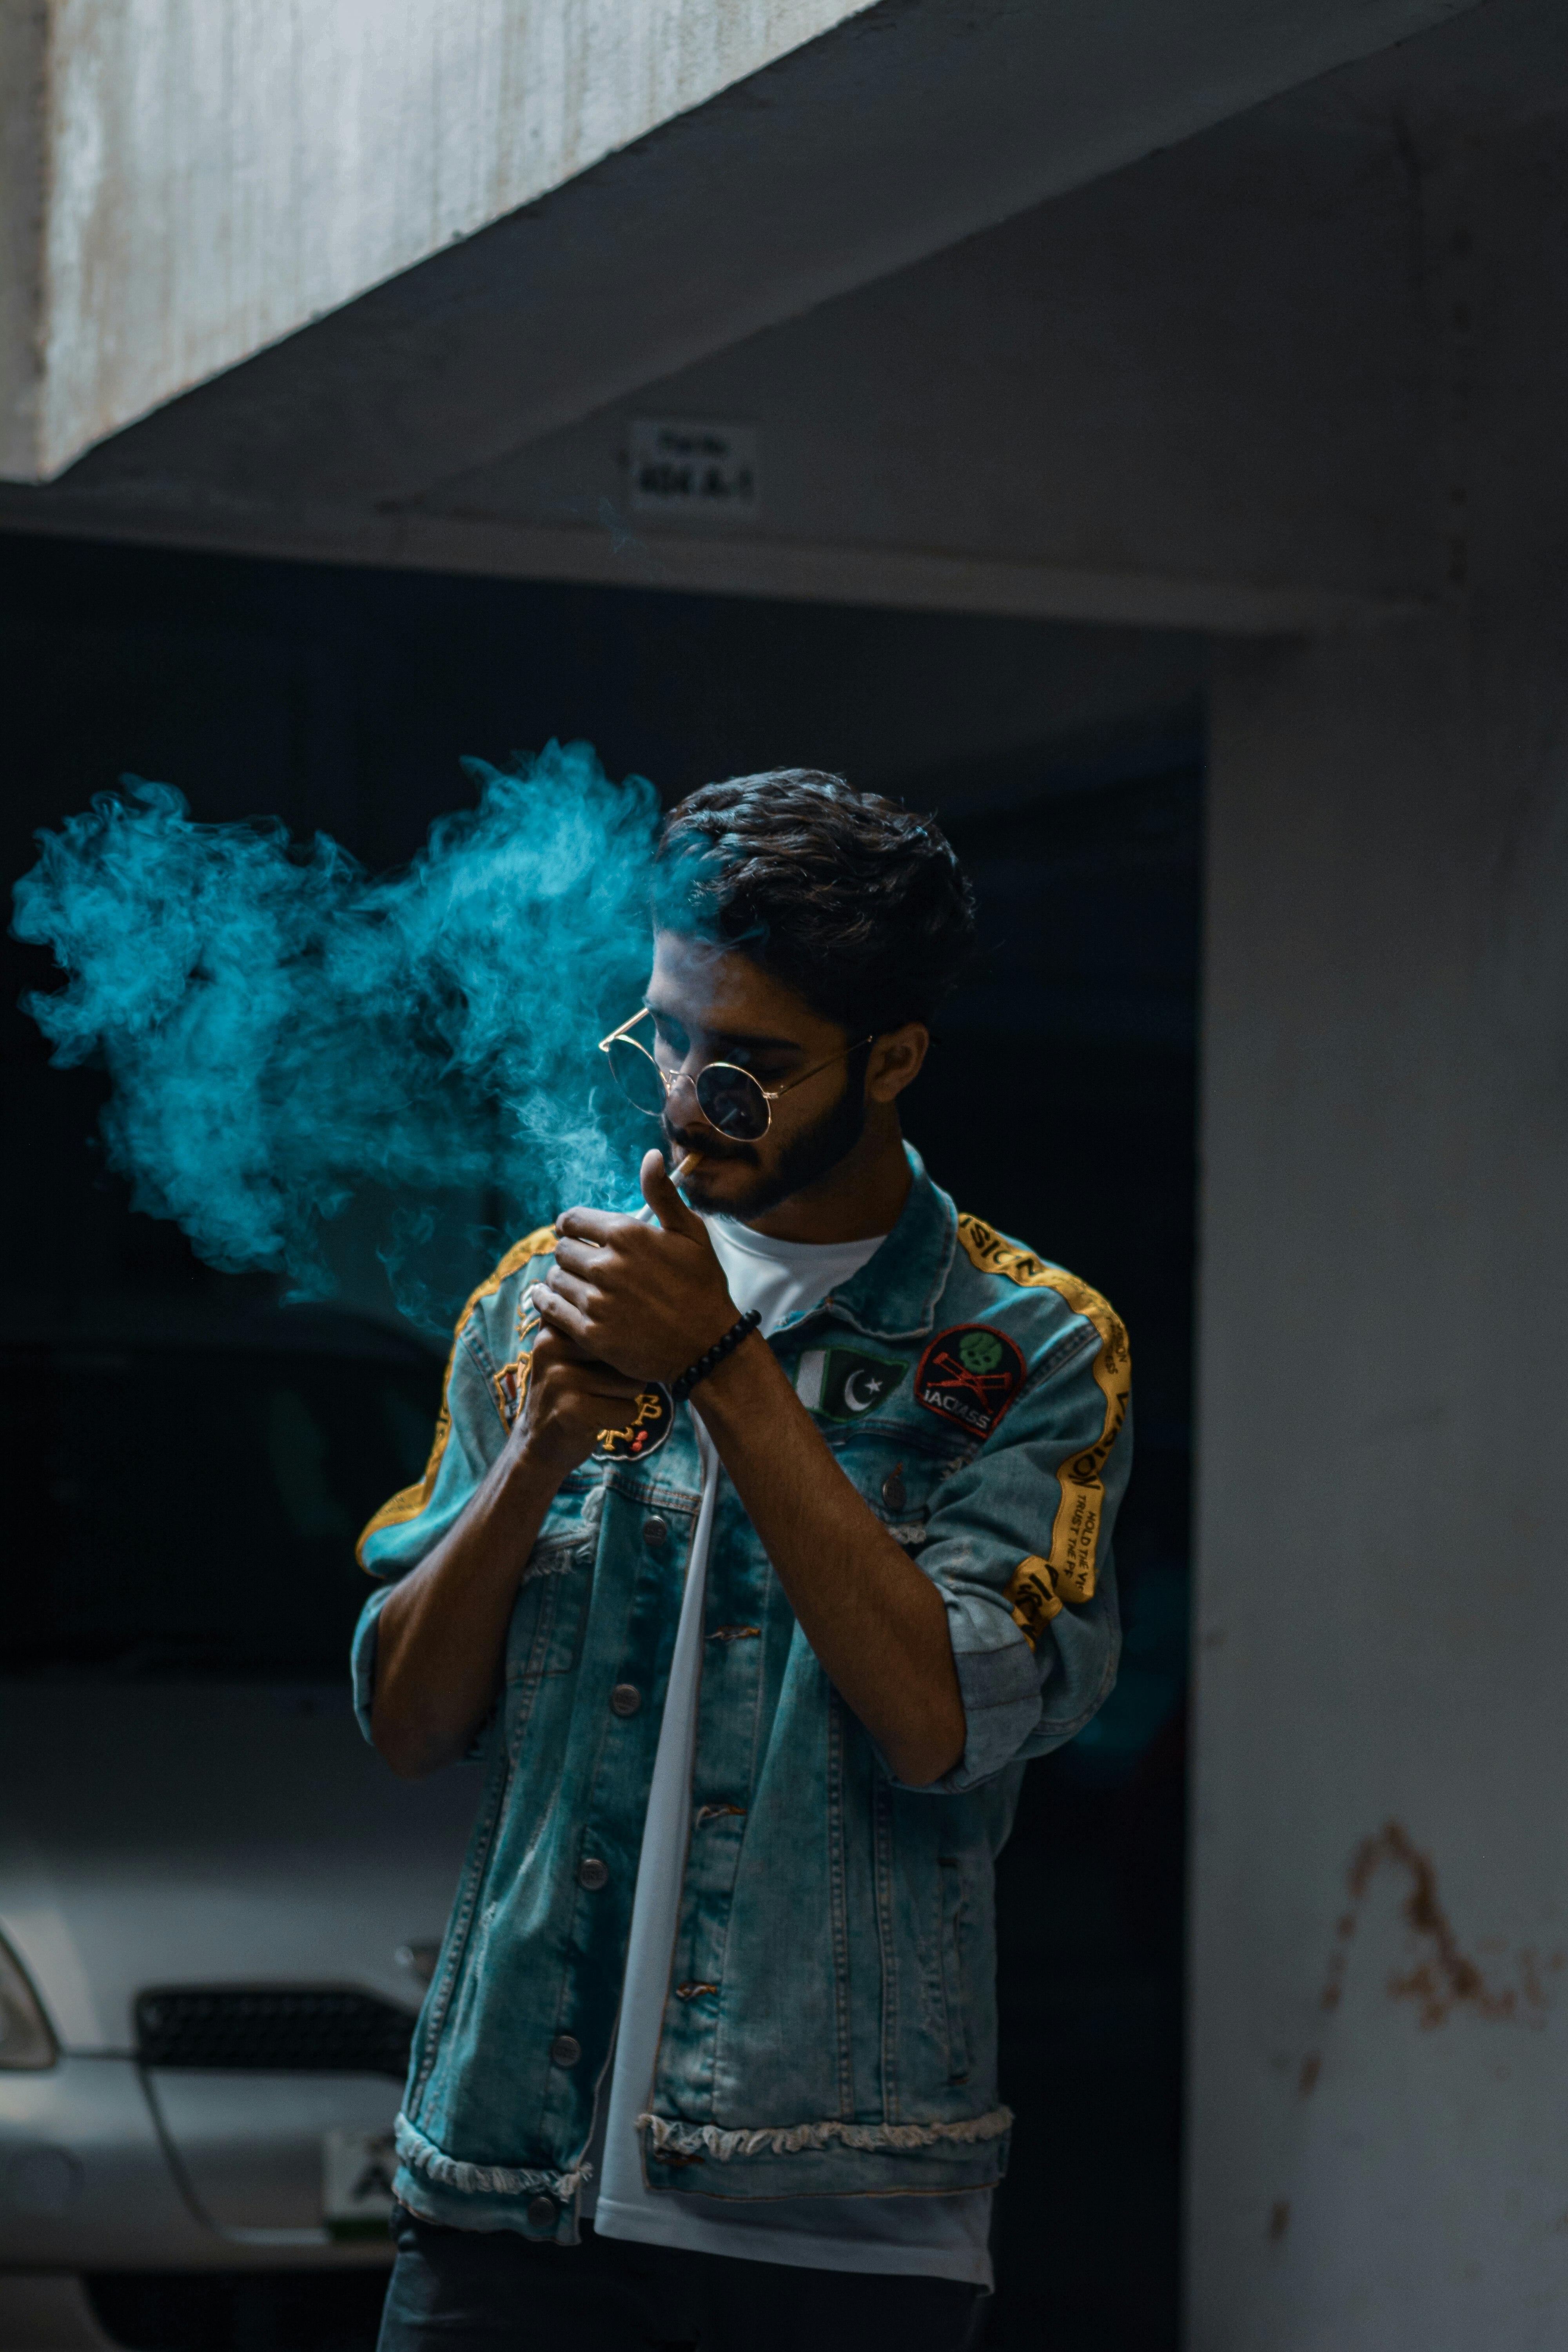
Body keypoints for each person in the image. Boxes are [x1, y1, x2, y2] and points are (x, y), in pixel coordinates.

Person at [353, 771, 1131, 2352]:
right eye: (669, 1035)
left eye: (753, 1066)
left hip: (836, 2227)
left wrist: (720, 1361)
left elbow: (938, 1721)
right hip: (507, 2185)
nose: (687, 1094)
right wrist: (539, 1455)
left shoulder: (1030, 1341)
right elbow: (408, 1723)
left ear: (892, 1058)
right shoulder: (542, 1295)